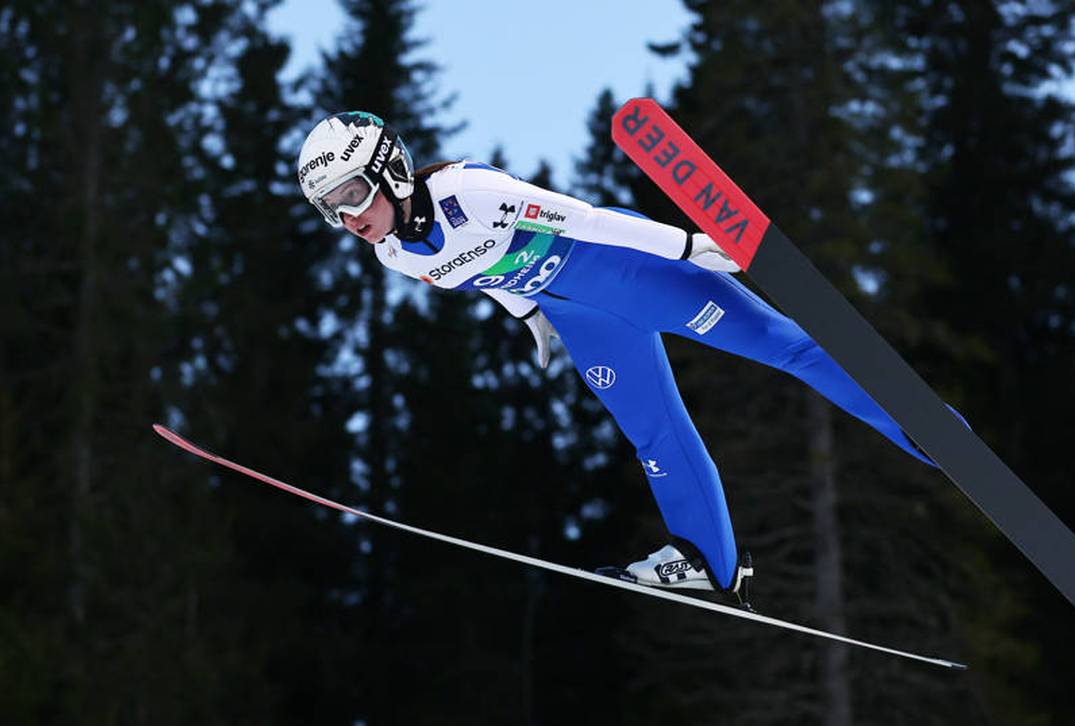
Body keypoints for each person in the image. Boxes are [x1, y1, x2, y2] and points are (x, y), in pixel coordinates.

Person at [296, 111, 938, 608]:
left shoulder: (469, 189)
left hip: (631, 272)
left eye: (351, 193)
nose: (347, 217)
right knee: (654, 436)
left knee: (784, 346)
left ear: (391, 169)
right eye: (329, 207)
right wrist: (533, 318)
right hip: (582, 319)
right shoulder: (395, 255)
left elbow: (586, 219)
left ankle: (922, 428)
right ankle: (708, 564)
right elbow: (482, 276)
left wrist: (685, 246)